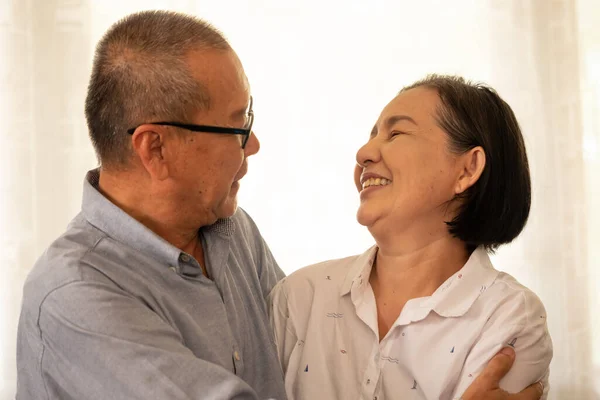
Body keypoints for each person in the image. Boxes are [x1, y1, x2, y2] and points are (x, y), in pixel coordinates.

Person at [15, 10, 544, 400]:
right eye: (236, 125)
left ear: (467, 169)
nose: (254, 144)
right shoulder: (76, 296)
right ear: (155, 148)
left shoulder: (232, 234)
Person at [269, 75, 553, 400]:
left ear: (467, 169)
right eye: (371, 135)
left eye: (396, 133)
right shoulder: (299, 297)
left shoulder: (510, 317)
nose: (363, 153)